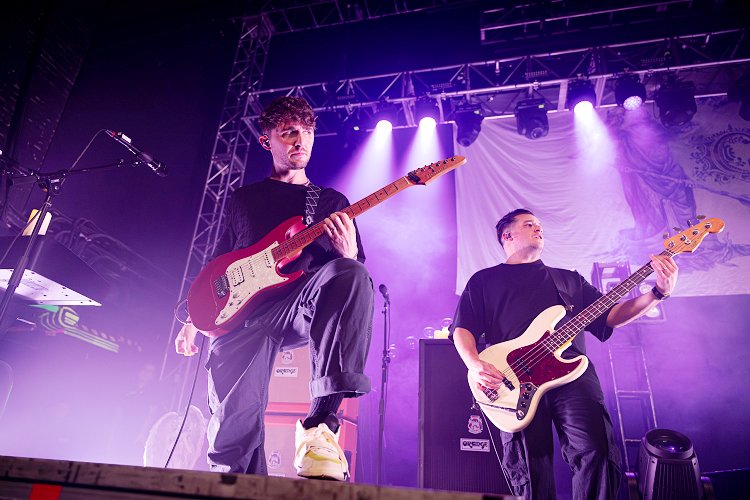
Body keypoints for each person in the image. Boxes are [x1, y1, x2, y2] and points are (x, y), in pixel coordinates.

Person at [175, 96, 373, 481]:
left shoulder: (330, 202)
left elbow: (351, 278)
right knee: (231, 440)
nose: (301, 140)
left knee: (350, 273)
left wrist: (348, 253)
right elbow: (218, 261)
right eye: (289, 132)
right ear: (267, 141)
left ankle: (320, 423)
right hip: (241, 317)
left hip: (299, 306)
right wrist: (191, 317)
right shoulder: (243, 199)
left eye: (307, 132)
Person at [450, 208, 678, 500]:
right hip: (513, 382)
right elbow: (463, 328)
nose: (538, 228)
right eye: (529, 224)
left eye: (539, 225)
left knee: (596, 450)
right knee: (529, 465)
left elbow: (610, 316)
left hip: (572, 374)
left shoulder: (568, 280)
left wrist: (658, 292)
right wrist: (474, 364)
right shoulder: (484, 280)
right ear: (507, 235)